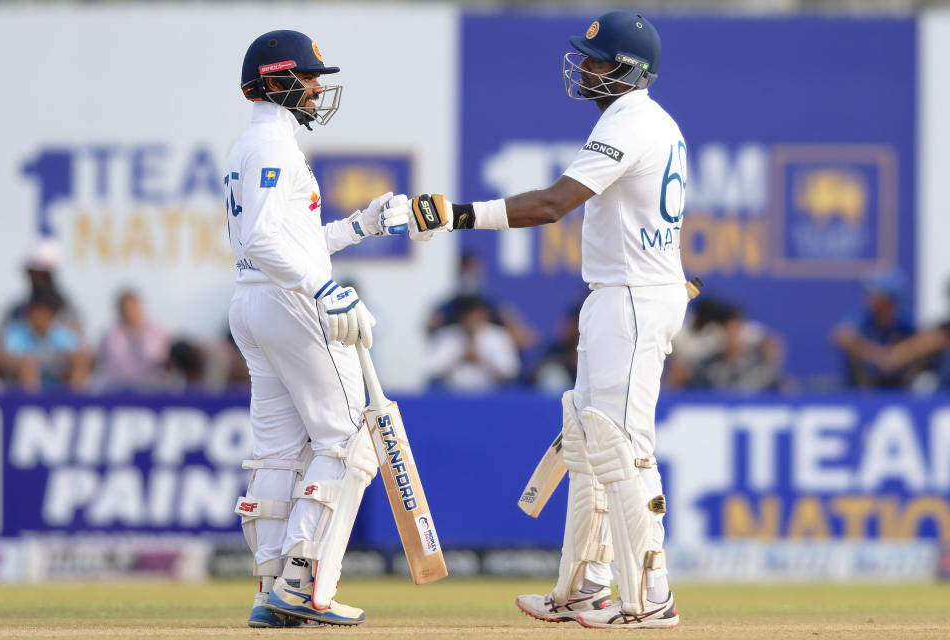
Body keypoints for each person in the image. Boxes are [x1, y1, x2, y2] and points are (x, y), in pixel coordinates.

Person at [409, 11, 685, 629]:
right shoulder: (637, 119)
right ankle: (584, 587)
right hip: (621, 295)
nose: (584, 67)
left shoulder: (634, 120)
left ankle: (652, 595)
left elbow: (554, 204)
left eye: (596, 59)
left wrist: (457, 215)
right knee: (589, 441)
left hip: (634, 297)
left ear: (629, 69)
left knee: (622, 447)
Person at [225, 30, 410, 628]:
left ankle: (272, 585)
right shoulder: (274, 146)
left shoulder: (252, 143)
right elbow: (261, 239)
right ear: (278, 80)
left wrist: (360, 226)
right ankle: (305, 583)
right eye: (308, 78)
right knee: (349, 439)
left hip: (253, 301)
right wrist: (321, 288)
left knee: (277, 453)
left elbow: (290, 242)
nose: (316, 89)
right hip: (288, 303)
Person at [0, 288, 89, 391]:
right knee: (29, 365)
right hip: (19, 383)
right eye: (38, 311)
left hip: (56, 379)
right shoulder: (15, 332)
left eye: (46, 313)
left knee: (80, 361)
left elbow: (79, 353)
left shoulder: (61, 332)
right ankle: (32, 403)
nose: (41, 317)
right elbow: (3, 359)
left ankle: (75, 402)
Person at [832, 271, 917, 388]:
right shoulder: (863, 317)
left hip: (898, 379)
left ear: (888, 300)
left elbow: (934, 339)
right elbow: (841, 336)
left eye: (874, 294)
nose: (868, 297)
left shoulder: (905, 321)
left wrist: (899, 354)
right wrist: (877, 356)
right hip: (867, 379)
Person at [424, 295, 521, 390]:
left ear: (484, 315)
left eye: (474, 315)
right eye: (467, 316)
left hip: (490, 396)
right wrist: (459, 358)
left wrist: (482, 361)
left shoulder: (498, 336)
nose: (471, 320)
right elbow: (432, 370)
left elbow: (510, 371)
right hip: (452, 396)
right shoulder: (447, 336)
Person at [94, 289, 170, 390]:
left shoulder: (159, 331)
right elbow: (98, 362)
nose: (129, 311)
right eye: (125, 307)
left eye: (132, 306)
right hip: (116, 390)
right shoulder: (109, 335)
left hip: (150, 389)